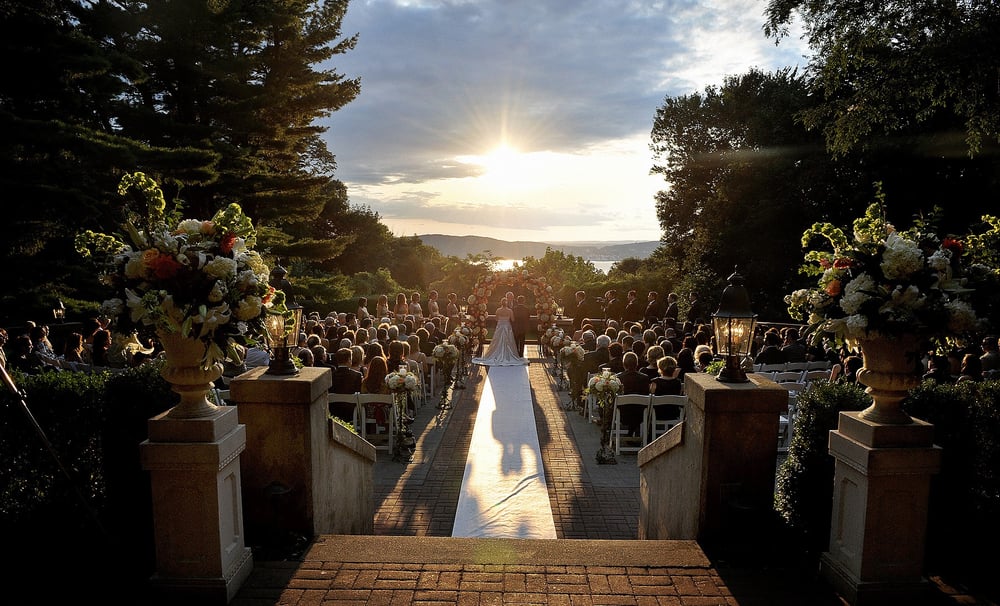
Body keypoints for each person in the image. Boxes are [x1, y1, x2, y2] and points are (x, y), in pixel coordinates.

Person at [472, 298, 528, 366]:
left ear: (501, 303)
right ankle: (508, 354)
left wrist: (501, 319)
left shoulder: (498, 310)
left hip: (500, 326)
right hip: (507, 326)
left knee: (497, 340)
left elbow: (496, 319)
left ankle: (496, 353)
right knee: (508, 340)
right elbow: (513, 319)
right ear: (506, 303)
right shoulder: (510, 310)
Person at [616, 351, 650, 437]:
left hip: (622, 413)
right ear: (637, 364)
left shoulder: (618, 378)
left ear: (624, 364)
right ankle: (632, 431)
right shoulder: (645, 378)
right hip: (640, 413)